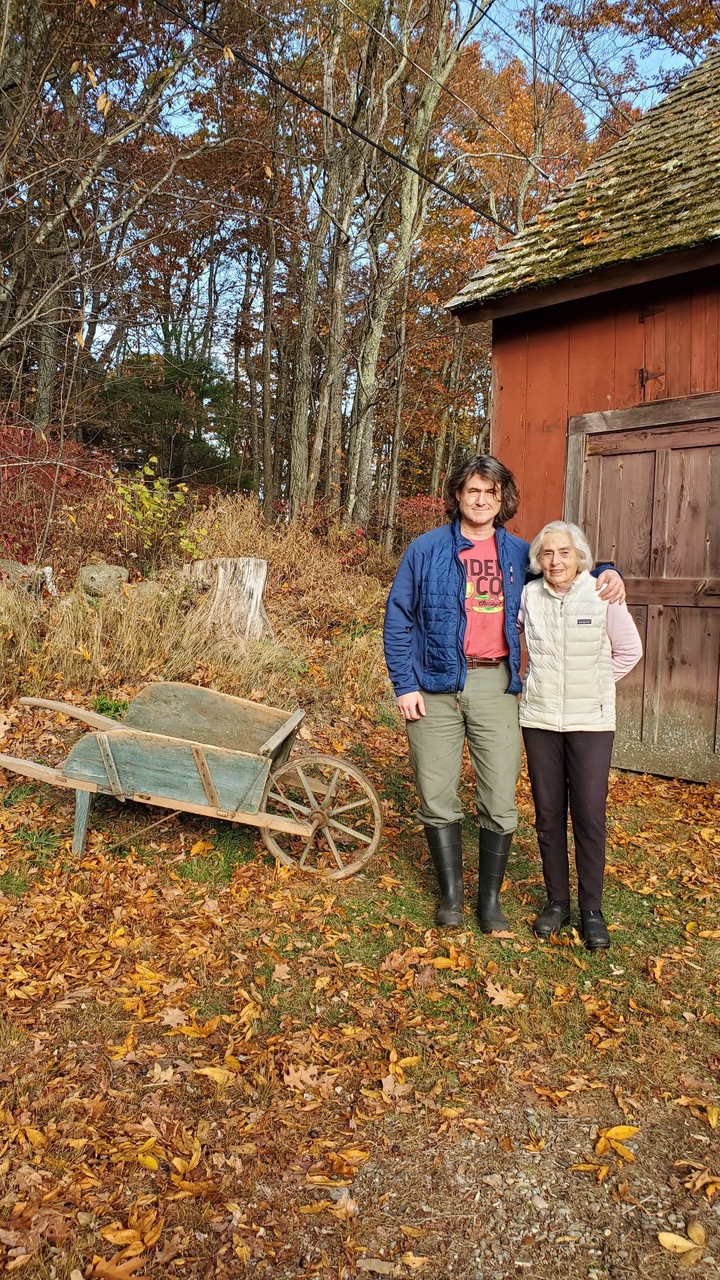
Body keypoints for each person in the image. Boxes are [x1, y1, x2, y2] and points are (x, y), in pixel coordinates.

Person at [383, 455, 625, 933]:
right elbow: (398, 617)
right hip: (434, 685)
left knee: (498, 797)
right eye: (473, 491)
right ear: (458, 495)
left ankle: (489, 901)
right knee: (435, 793)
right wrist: (404, 683)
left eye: (491, 493)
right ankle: (451, 896)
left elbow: (565, 572)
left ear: (502, 499)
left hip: (496, 684)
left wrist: (609, 570)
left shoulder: (518, 553)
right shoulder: (426, 549)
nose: (481, 500)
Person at [518, 520, 642, 950]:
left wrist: (597, 683)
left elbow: (629, 649)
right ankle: (557, 902)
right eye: (548, 553)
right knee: (548, 814)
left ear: (580, 556)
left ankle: (592, 910)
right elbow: (513, 641)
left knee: (588, 815)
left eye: (564, 552)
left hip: (591, 722)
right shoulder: (529, 595)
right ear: (539, 559)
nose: (555, 561)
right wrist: (527, 681)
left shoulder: (603, 591)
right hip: (539, 720)